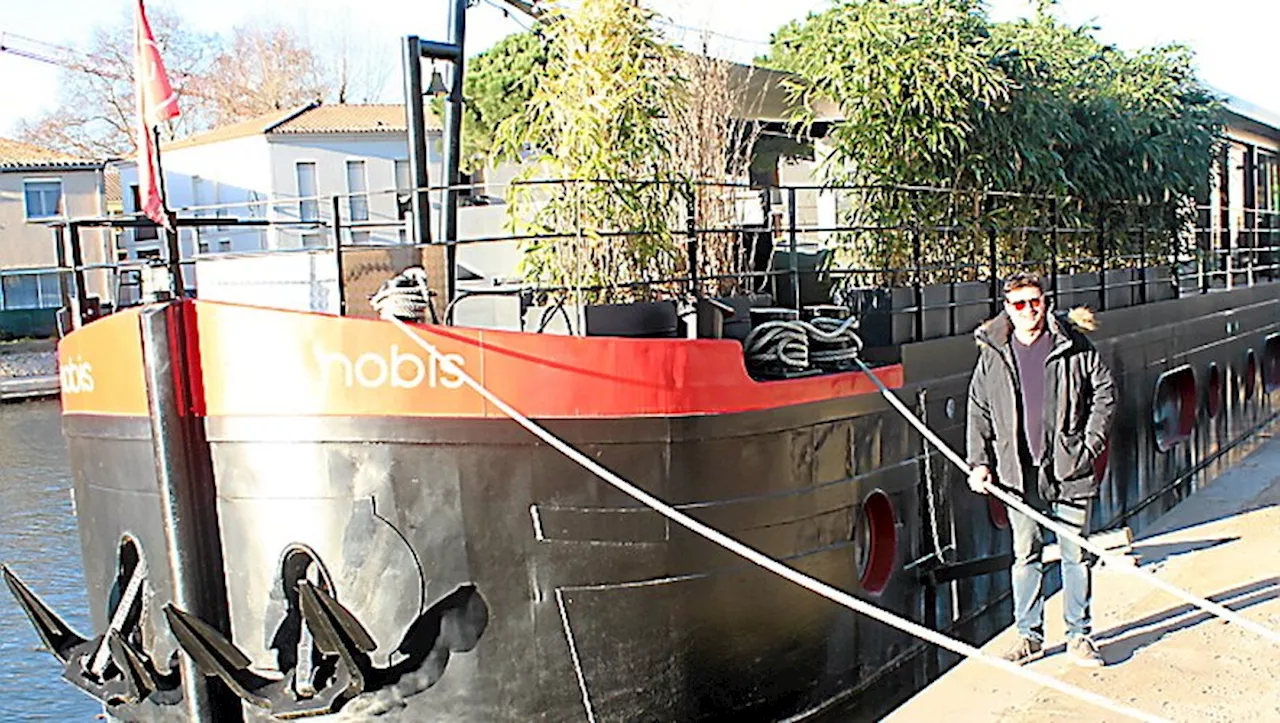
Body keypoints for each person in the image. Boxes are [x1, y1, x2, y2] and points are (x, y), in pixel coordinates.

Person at [966, 272, 1116, 667]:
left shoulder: (1073, 344)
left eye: (1035, 301)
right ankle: (1029, 636)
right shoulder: (993, 354)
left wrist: (1088, 446)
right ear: (1007, 308)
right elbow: (978, 410)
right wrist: (979, 462)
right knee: (1025, 555)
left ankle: (1079, 636)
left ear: (1045, 302)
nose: (1029, 310)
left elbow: (1104, 392)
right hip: (1018, 473)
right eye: (1019, 304)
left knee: (1076, 554)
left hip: (1070, 468)